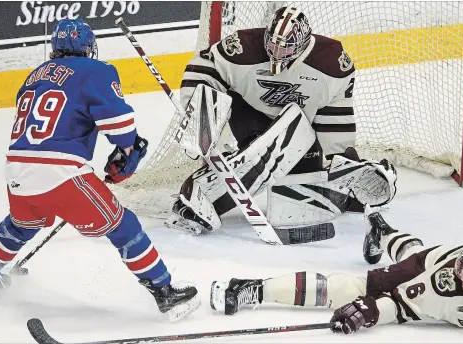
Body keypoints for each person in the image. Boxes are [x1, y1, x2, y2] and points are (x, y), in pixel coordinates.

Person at [0, 18, 200, 322]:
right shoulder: (96, 70)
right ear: (89, 48)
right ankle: (166, 292)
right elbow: (121, 127)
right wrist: (129, 151)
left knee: (23, 224)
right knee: (122, 225)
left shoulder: (33, 76)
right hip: (60, 173)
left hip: (17, 170)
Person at [165, 6, 397, 237]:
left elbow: (335, 116)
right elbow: (204, 66)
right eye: (273, 44)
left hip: (298, 127)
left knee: (302, 179)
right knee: (261, 160)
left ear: (304, 44)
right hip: (249, 115)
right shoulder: (243, 46)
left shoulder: (331, 63)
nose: (276, 52)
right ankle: (201, 194)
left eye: (285, 47)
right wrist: (199, 116)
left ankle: (356, 180)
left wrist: (342, 160)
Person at [209, 207, 463, 332]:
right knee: (359, 287)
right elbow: (399, 304)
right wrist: (368, 311)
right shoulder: (444, 283)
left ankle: (381, 233)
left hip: (429, 262)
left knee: (411, 251)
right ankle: (251, 287)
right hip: (426, 268)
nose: (460, 271)